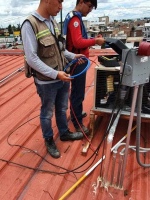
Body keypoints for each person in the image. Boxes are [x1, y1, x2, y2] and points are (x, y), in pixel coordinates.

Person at [21, 0, 86, 159]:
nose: (61, 6)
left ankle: (64, 133)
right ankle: (49, 139)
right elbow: (32, 58)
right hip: (47, 82)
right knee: (47, 113)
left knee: (62, 108)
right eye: (59, 2)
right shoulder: (30, 24)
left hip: (61, 77)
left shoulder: (53, 22)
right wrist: (55, 74)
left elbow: (61, 50)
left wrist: (73, 56)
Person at [63, 0, 105, 134]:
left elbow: (80, 39)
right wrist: (95, 41)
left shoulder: (75, 17)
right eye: (90, 6)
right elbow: (77, 41)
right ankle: (77, 123)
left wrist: (93, 40)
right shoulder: (75, 19)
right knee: (78, 93)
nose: (90, 10)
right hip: (77, 62)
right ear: (81, 2)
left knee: (77, 92)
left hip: (80, 60)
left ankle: (77, 114)